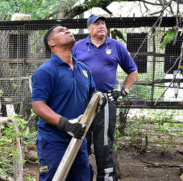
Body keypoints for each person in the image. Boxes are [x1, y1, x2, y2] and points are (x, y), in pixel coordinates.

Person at [72, 14, 138, 181]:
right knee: (80, 140)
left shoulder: (116, 46)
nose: (101, 26)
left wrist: (124, 91)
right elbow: (67, 68)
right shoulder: (78, 46)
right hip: (82, 100)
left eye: (103, 23)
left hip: (105, 100)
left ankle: (107, 177)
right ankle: (82, 176)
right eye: (96, 24)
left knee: (104, 143)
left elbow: (133, 70)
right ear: (89, 28)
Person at [32, 25, 98, 181]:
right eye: (61, 31)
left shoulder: (84, 69)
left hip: (78, 140)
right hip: (53, 142)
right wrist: (65, 124)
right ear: (51, 43)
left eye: (67, 29)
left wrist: (99, 101)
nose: (67, 31)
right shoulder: (45, 71)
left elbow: (93, 95)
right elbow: (38, 106)